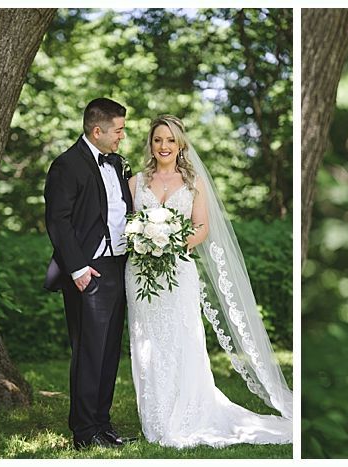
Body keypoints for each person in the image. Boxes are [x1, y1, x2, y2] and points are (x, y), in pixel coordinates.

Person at [124, 115, 292, 448]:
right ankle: (155, 415)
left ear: (180, 144)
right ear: (150, 144)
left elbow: (201, 227)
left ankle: (188, 411)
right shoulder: (135, 183)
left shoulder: (193, 182)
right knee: (147, 342)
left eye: (170, 140)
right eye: (158, 140)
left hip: (179, 270)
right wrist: (144, 239)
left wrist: (169, 243)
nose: (164, 146)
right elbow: (127, 223)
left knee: (182, 340)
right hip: (140, 274)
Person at [44, 97, 136, 450]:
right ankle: (84, 431)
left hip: (118, 264)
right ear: (97, 131)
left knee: (109, 351)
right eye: (118, 130)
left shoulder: (117, 164)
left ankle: (102, 424)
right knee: (88, 352)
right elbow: (58, 221)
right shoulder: (66, 165)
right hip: (88, 270)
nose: (122, 136)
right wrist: (78, 269)